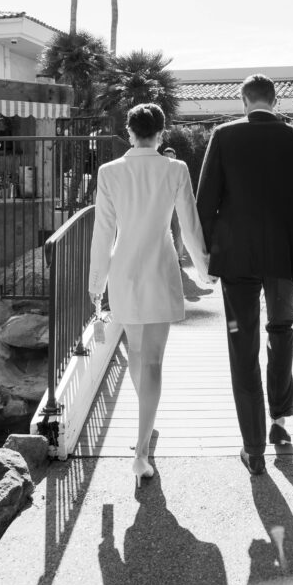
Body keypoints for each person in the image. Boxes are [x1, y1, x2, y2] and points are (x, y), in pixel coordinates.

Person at [196, 73, 293, 477]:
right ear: (275, 101)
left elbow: (204, 204)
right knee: (280, 330)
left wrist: (204, 254)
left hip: (236, 258)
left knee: (243, 346)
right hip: (284, 255)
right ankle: (278, 418)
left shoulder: (223, 137)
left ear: (244, 101)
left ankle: (253, 448)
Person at [88, 103, 211, 487]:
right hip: (160, 268)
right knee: (153, 361)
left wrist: (96, 285)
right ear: (162, 133)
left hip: (124, 273)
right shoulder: (175, 169)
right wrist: (205, 272)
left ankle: (144, 433)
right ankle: (142, 449)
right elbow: (189, 224)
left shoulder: (110, 172)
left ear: (129, 131)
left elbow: (103, 232)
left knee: (138, 358)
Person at [161, 147, 184, 263]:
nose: (169, 159)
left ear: (175, 156)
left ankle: (178, 259)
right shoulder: (159, 170)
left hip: (175, 205)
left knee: (177, 233)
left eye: (171, 157)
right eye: (166, 157)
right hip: (162, 206)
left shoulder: (180, 169)